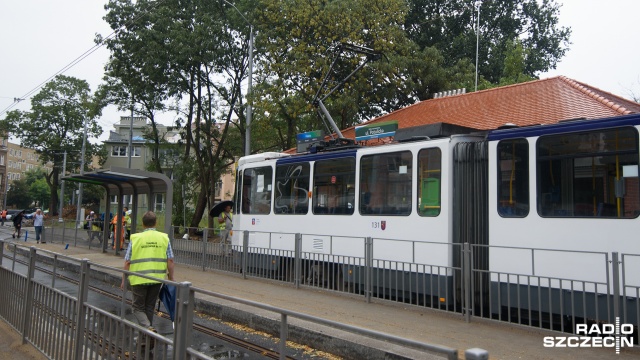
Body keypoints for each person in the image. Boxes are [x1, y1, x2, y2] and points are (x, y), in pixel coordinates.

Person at [121, 211, 174, 343]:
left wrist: (124, 279)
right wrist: (171, 278)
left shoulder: (136, 238)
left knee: (138, 308)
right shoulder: (164, 238)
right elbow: (170, 261)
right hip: (156, 279)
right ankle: (145, 337)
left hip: (138, 278)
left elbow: (127, 261)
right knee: (149, 307)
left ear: (143, 224)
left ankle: (147, 328)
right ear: (156, 223)